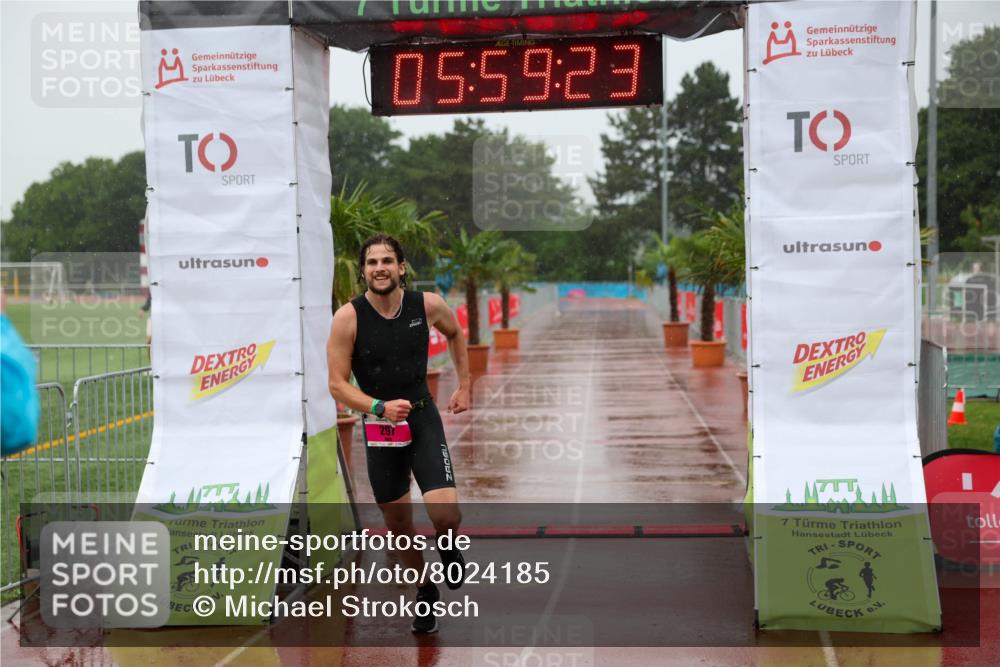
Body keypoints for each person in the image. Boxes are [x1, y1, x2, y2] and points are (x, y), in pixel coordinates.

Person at [327, 234, 471, 634]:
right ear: (363, 271)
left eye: (387, 261)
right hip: (380, 428)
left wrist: (465, 385)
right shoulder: (348, 318)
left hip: (422, 418)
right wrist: (378, 407)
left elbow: (458, 335)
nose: (380, 268)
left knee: (446, 514)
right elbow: (337, 384)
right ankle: (425, 592)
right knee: (399, 527)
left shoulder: (426, 306)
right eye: (372, 262)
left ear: (402, 267)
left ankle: (447, 544)